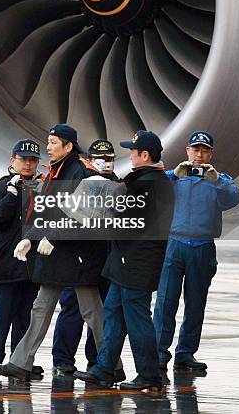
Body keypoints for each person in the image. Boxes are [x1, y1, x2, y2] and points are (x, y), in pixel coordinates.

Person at [0, 124, 124, 382]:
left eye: (52, 142)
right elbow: (49, 211)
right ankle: (20, 362)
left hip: (79, 257)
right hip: (55, 257)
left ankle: (112, 364)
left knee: (92, 313)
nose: (47, 147)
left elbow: (89, 216)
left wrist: (55, 236)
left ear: (68, 146)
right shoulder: (55, 172)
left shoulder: (83, 173)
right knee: (41, 308)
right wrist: (31, 238)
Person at [74, 130, 174, 390]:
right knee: (113, 315)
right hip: (125, 262)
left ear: (145, 155)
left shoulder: (148, 183)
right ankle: (105, 368)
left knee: (137, 319)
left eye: (133, 151)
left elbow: (120, 217)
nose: (129, 155)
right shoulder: (146, 179)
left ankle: (149, 375)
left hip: (136, 263)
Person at [153, 131, 239, 371]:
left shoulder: (219, 180)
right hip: (175, 244)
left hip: (202, 247)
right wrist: (174, 173)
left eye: (204, 150)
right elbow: (152, 188)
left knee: (195, 304)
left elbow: (234, 198)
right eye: (195, 150)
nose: (199, 155)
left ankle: (185, 353)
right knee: (165, 301)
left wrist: (217, 181)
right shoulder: (175, 178)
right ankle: (159, 352)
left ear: (210, 153)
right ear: (187, 151)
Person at [52, 138, 117, 374]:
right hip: (80, 259)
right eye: (101, 159)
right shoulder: (81, 184)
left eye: (110, 159)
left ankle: (96, 359)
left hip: (106, 260)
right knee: (72, 309)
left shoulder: (119, 186)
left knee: (101, 314)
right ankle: (62, 360)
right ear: (90, 160)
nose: (105, 163)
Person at [0, 139, 45, 375]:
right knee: (2, 314)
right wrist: (11, 194)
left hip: (32, 264)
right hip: (6, 262)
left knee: (26, 316)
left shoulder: (44, 187)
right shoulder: (0, 187)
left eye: (32, 160)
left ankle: (19, 361)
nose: (28, 164)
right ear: (13, 161)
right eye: (23, 160)